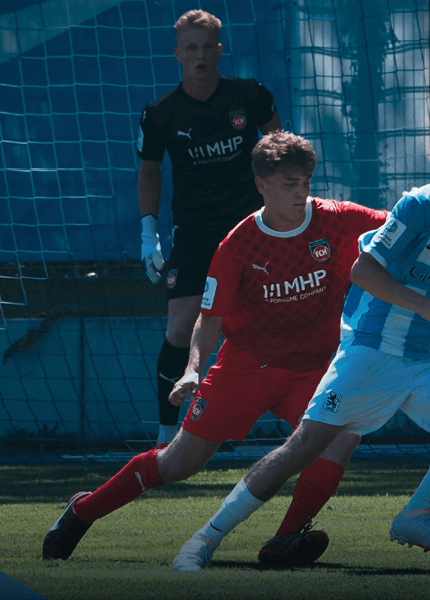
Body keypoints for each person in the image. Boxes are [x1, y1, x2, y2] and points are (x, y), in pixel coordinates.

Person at [171, 116, 430, 571]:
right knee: (304, 446)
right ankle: (204, 539)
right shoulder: (420, 205)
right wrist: (424, 304)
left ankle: (416, 514)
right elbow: (363, 271)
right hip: (371, 349)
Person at [43, 132, 388, 566]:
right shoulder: (238, 245)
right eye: (289, 184)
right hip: (245, 370)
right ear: (261, 183)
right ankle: (83, 510)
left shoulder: (338, 218)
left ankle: (284, 540)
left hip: (312, 370)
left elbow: (403, 223)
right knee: (177, 465)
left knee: (341, 438)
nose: (301, 193)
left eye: (306, 182)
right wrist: (193, 368)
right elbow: (210, 319)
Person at [137, 9, 283, 449]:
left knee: (270, 328)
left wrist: (284, 213)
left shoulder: (250, 96)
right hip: (195, 233)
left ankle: (300, 426)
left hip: (252, 230)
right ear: (178, 54)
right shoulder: (160, 114)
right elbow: (150, 172)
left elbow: (280, 151)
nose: (199, 55)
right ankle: (166, 438)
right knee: (181, 329)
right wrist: (148, 233)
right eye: (191, 48)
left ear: (219, 51)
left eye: (207, 47)